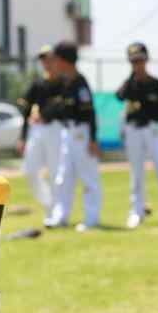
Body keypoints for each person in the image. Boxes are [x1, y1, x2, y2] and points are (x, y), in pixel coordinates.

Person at [117, 43, 158, 228]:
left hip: (152, 130)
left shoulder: (155, 83)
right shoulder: (130, 84)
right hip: (133, 130)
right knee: (136, 173)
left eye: (140, 60)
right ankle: (136, 212)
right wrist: (132, 77)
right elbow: (119, 96)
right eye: (134, 61)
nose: (138, 64)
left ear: (146, 60)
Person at [46, 42, 102, 232]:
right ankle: (60, 216)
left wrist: (93, 139)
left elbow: (90, 113)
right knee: (64, 177)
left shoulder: (80, 83)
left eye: (56, 59)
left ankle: (91, 218)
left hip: (81, 133)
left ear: (64, 60)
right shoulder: (63, 82)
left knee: (88, 177)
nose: (53, 62)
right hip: (66, 132)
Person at [16, 45, 63, 221]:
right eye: (43, 59)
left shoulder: (63, 82)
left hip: (56, 129)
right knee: (29, 170)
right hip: (37, 130)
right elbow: (25, 109)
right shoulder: (38, 84)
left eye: (49, 59)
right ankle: (49, 204)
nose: (46, 63)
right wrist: (22, 136)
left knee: (54, 171)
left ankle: (56, 212)